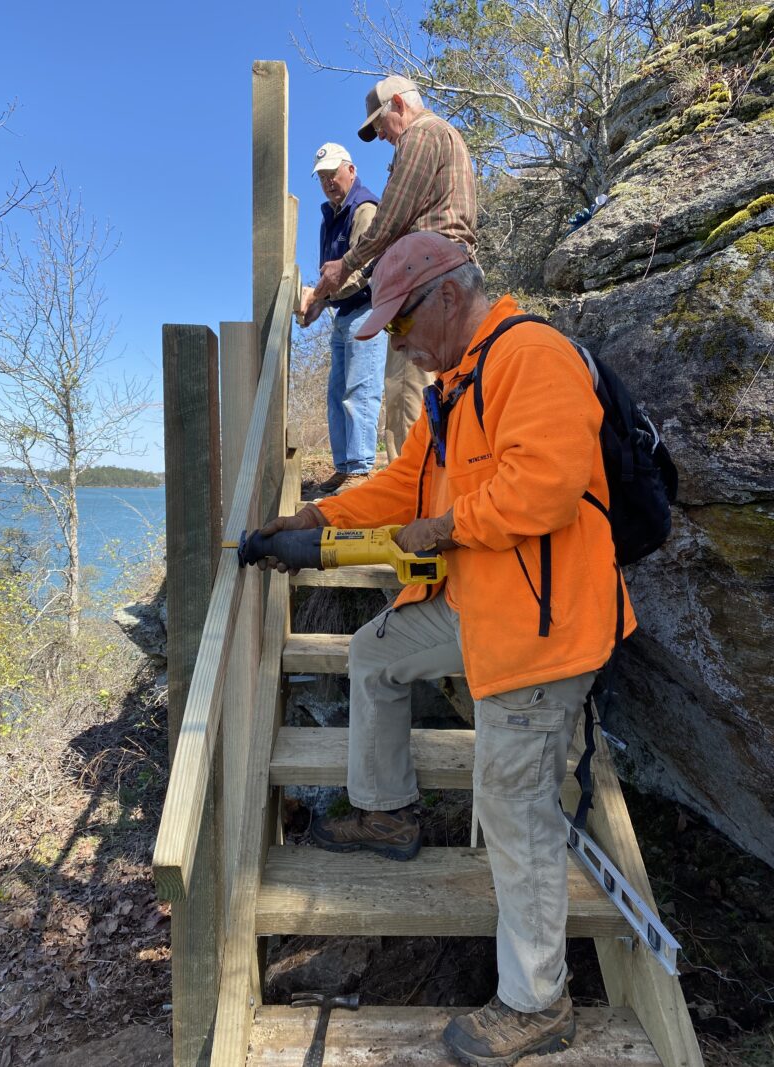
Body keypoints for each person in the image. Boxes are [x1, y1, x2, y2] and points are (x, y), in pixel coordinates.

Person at [260, 232, 637, 1066]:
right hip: (484, 610)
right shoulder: (454, 389)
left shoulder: (529, 355)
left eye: (400, 325)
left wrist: (450, 525)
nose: (397, 344)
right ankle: (387, 807)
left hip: (545, 632)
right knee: (375, 651)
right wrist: (315, 520)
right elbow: (403, 485)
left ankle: (538, 999)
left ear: (446, 297)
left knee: (513, 806)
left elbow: (547, 480)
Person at [309, 76, 478, 463]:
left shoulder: (420, 136)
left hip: (427, 280)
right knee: (446, 390)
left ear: (398, 104)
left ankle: (411, 500)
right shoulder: (448, 136)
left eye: (380, 125)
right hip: (453, 274)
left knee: (407, 394)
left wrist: (347, 264)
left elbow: (392, 220)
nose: (383, 136)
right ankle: (440, 490)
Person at [300, 143, 388, 495]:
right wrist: (317, 305)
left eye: (332, 174)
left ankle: (362, 469)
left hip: (366, 307)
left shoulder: (363, 208)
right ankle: (345, 467)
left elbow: (363, 268)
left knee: (360, 389)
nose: (328, 182)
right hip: (343, 312)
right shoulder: (331, 214)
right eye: (321, 177)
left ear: (350, 170)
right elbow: (333, 278)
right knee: (336, 393)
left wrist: (318, 294)